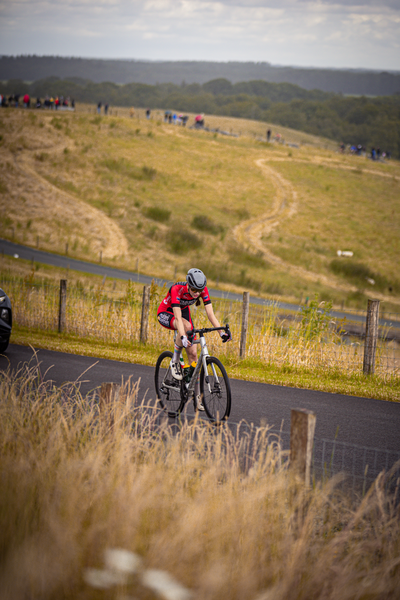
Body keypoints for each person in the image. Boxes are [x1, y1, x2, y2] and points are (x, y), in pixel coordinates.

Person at [157, 268, 231, 411]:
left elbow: (210, 314)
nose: (197, 293)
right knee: (185, 326)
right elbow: (178, 318)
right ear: (188, 285)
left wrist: (221, 332)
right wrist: (183, 336)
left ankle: (197, 397)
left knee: (193, 355)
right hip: (166, 312)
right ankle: (175, 361)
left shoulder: (202, 290)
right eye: (194, 290)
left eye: (199, 290)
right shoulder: (177, 289)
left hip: (183, 312)